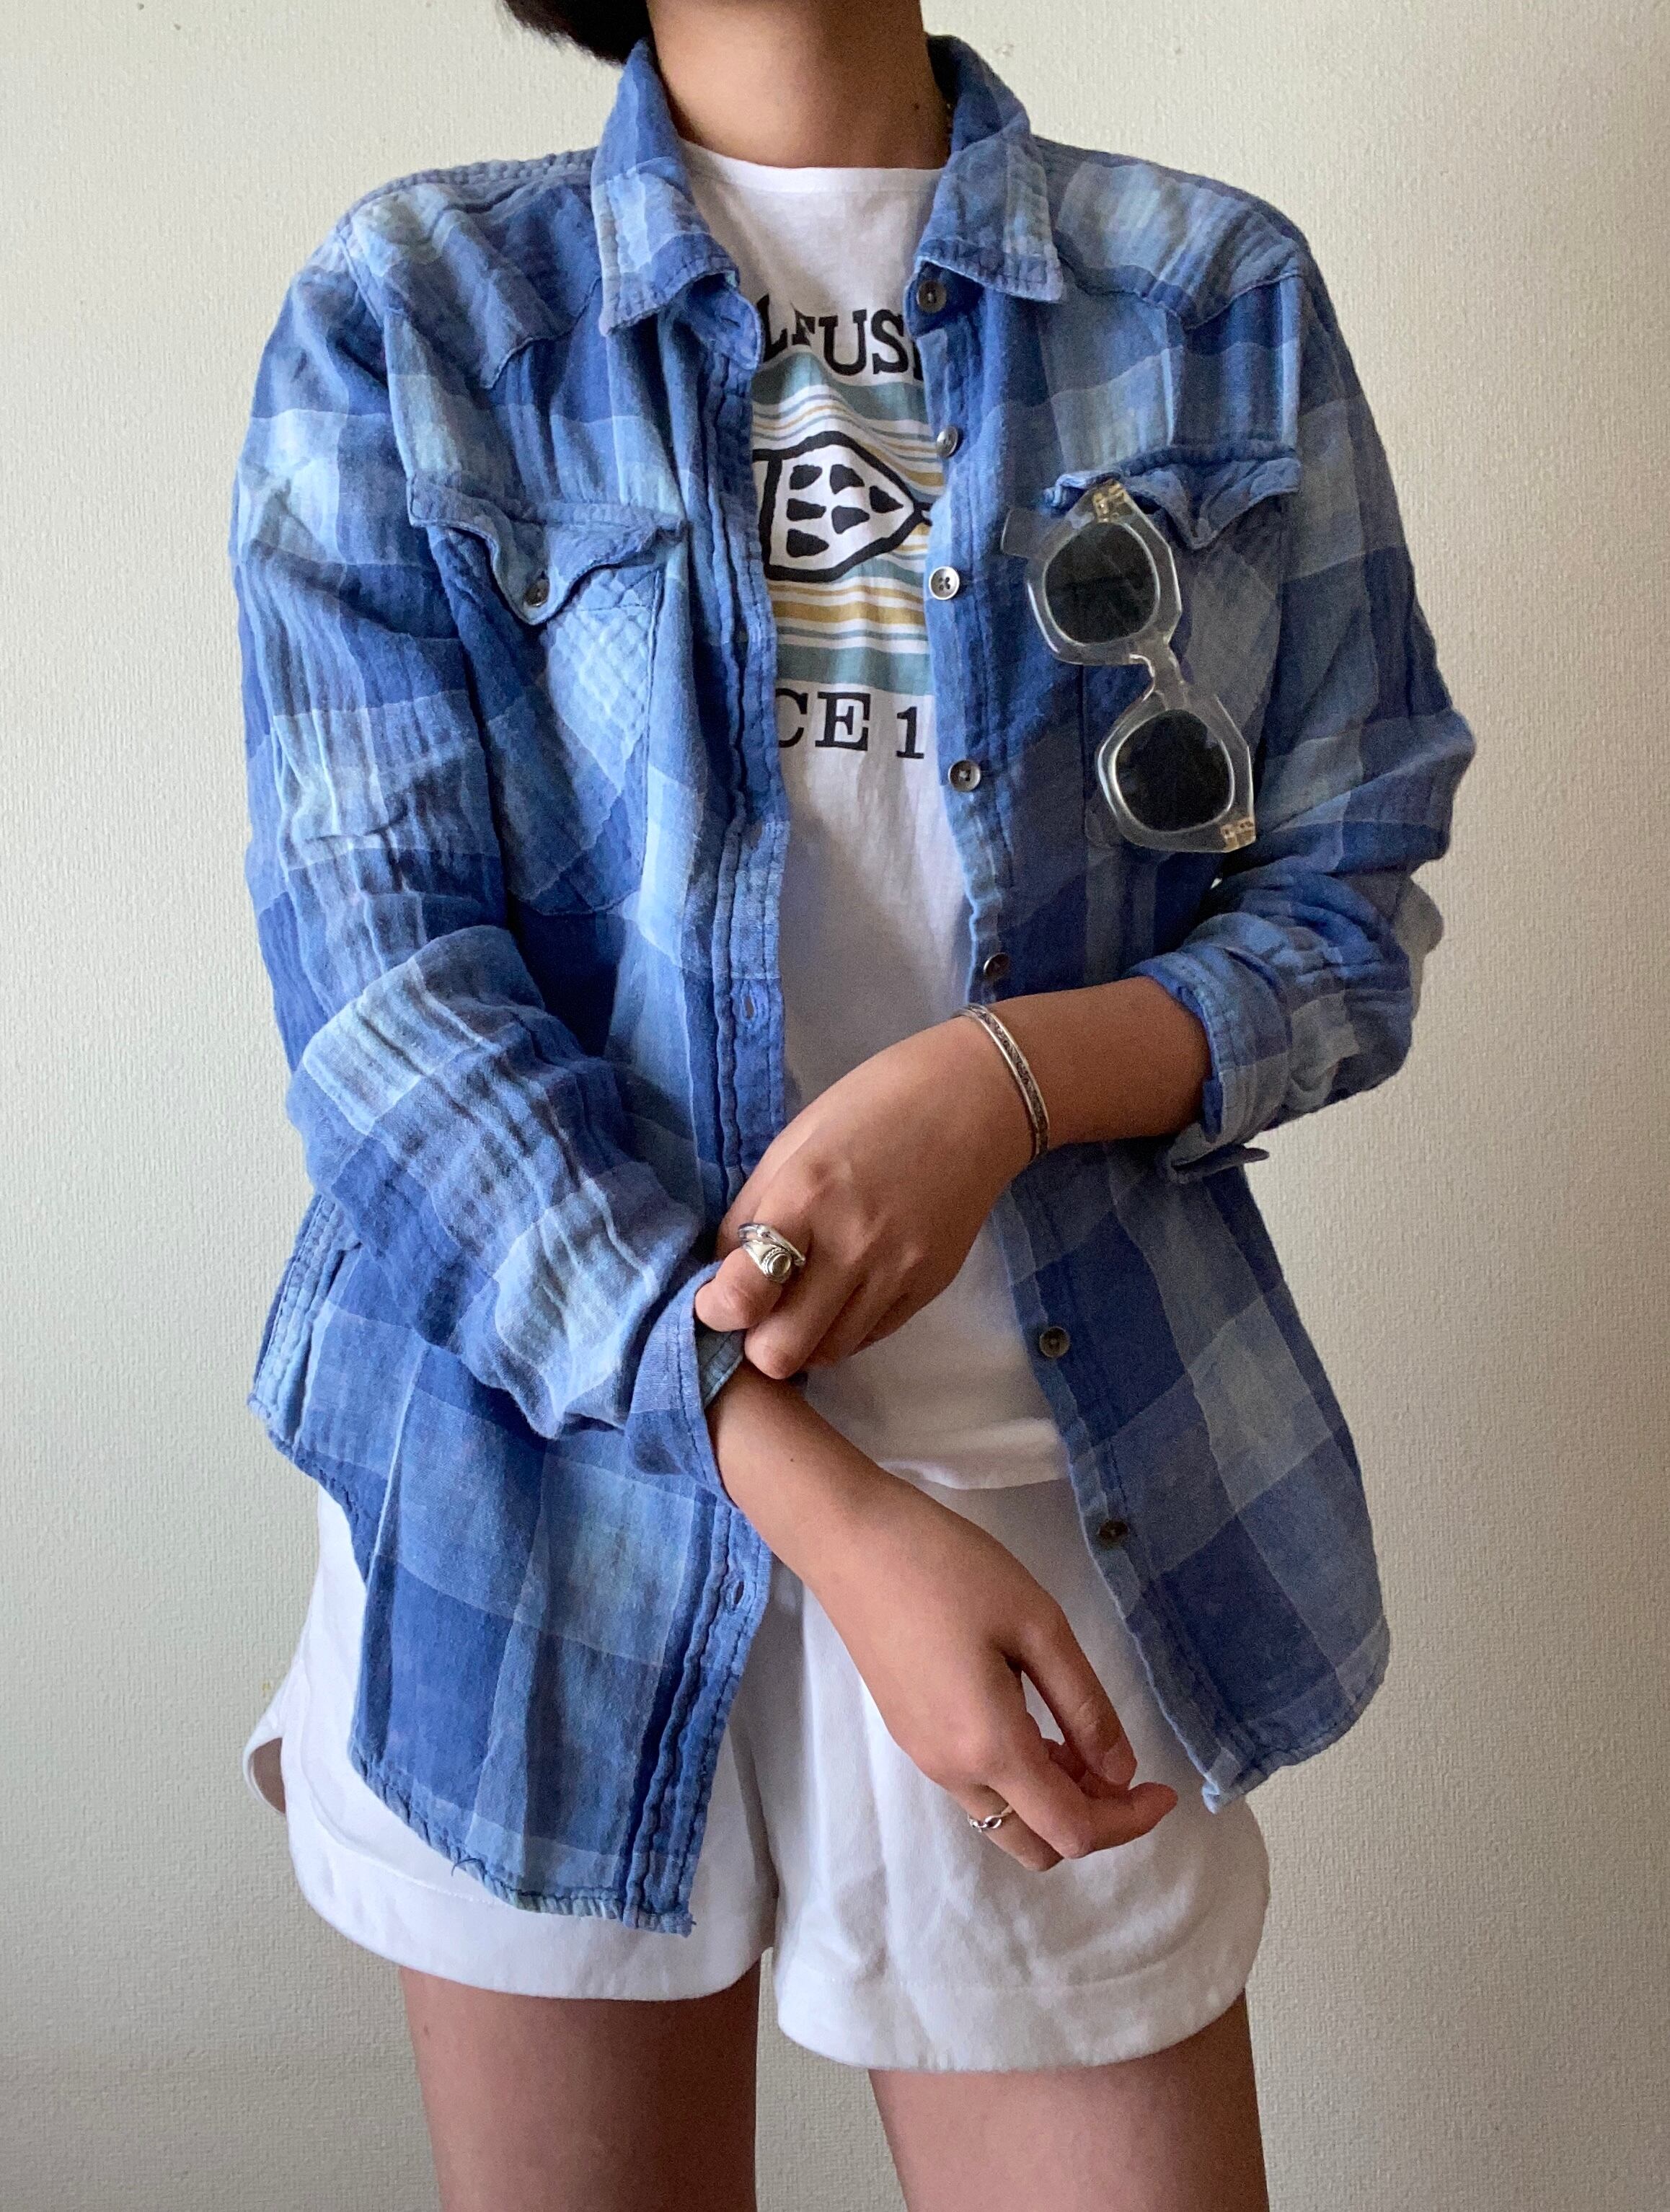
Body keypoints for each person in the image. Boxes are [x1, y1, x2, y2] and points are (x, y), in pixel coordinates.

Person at [230, 3, 1474, 2206]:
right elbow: (383, 998)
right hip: (542, 1487)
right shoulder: (418, 312)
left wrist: (1002, 1083)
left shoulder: (1205, 295)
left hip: (1065, 1484)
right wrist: (806, 1488)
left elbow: (1345, 897)